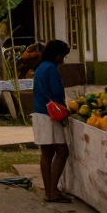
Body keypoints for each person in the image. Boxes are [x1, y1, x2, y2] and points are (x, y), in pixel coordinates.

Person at [32, 40, 72, 203]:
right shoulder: (52, 69)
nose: (63, 60)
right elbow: (56, 92)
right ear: (57, 55)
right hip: (50, 114)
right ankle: (53, 190)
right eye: (63, 56)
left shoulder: (40, 67)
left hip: (39, 112)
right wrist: (64, 112)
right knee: (62, 152)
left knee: (46, 153)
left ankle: (48, 190)